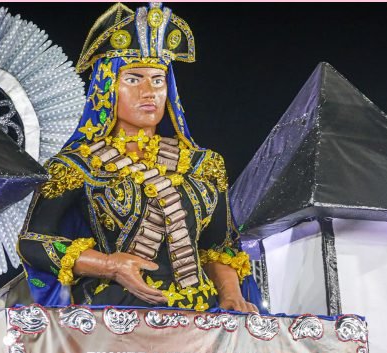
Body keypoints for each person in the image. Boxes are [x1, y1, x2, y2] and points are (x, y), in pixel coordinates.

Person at [17, 2, 257, 313]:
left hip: (203, 318)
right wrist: (108, 265)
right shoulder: (78, 165)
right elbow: (34, 242)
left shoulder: (203, 164)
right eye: (134, 79)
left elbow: (218, 248)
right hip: (116, 316)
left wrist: (231, 296)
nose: (149, 91)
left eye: (158, 80)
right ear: (108, 86)